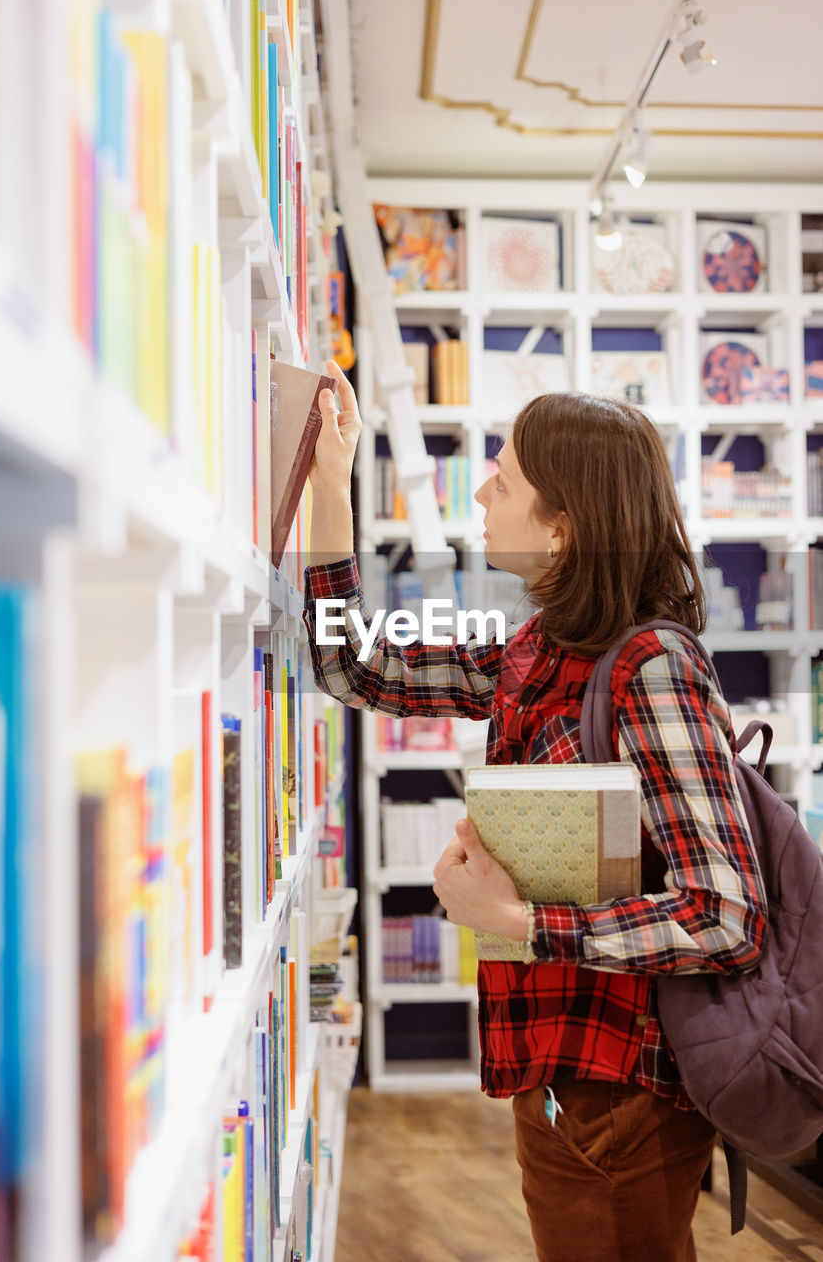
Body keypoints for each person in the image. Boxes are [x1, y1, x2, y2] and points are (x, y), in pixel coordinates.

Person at [303, 360, 767, 1262]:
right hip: (565, 1072)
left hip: (620, 1088)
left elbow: (724, 917)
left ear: (564, 526)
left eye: (503, 478)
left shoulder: (649, 669)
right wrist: (329, 476)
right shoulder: (539, 653)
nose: (480, 490)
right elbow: (358, 668)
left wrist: (516, 920)